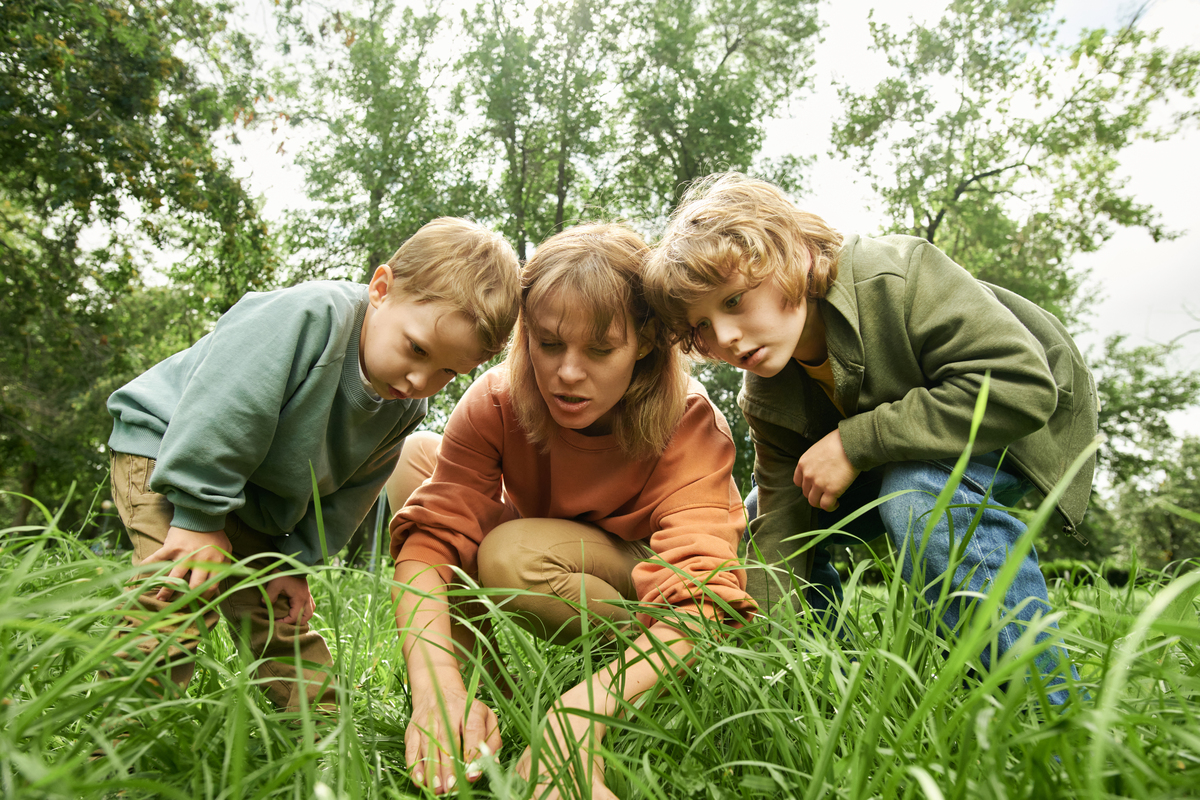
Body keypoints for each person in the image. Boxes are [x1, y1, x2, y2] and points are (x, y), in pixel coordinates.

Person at [644, 173, 1097, 704]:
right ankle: (822, 690)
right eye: (701, 325)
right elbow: (782, 522)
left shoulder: (897, 275)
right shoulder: (767, 390)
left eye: (736, 300)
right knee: (759, 511)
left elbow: (1020, 385)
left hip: (1016, 422)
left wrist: (853, 444)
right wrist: (764, 651)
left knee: (917, 489)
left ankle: (1046, 704)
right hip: (910, 446)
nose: (724, 336)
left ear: (793, 257)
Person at [389, 223, 755, 796]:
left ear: (648, 342)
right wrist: (436, 685)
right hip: (558, 539)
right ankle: (479, 702)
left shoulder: (687, 420)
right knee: (416, 462)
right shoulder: (496, 401)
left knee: (509, 556)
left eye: (602, 350)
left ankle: (630, 672)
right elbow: (431, 540)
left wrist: (576, 720)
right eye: (550, 343)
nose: (567, 373)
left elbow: (702, 594)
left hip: (647, 571)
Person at [106, 217, 520, 712]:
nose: (418, 380)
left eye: (448, 372)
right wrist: (198, 521)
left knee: (282, 624)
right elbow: (226, 410)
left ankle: (320, 746)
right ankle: (113, 753)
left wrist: (297, 561)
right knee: (178, 595)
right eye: (417, 349)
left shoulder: (404, 405)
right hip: (172, 458)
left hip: (251, 498)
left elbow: (355, 490)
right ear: (381, 289)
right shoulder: (308, 318)